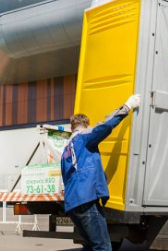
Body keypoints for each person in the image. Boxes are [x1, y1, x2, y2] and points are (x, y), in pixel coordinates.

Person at [61, 94, 142, 251]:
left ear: (71, 127)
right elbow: (105, 126)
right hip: (86, 200)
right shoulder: (84, 137)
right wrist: (127, 106)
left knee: (91, 246)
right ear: (87, 125)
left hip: (72, 204)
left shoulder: (66, 149)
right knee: (103, 247)